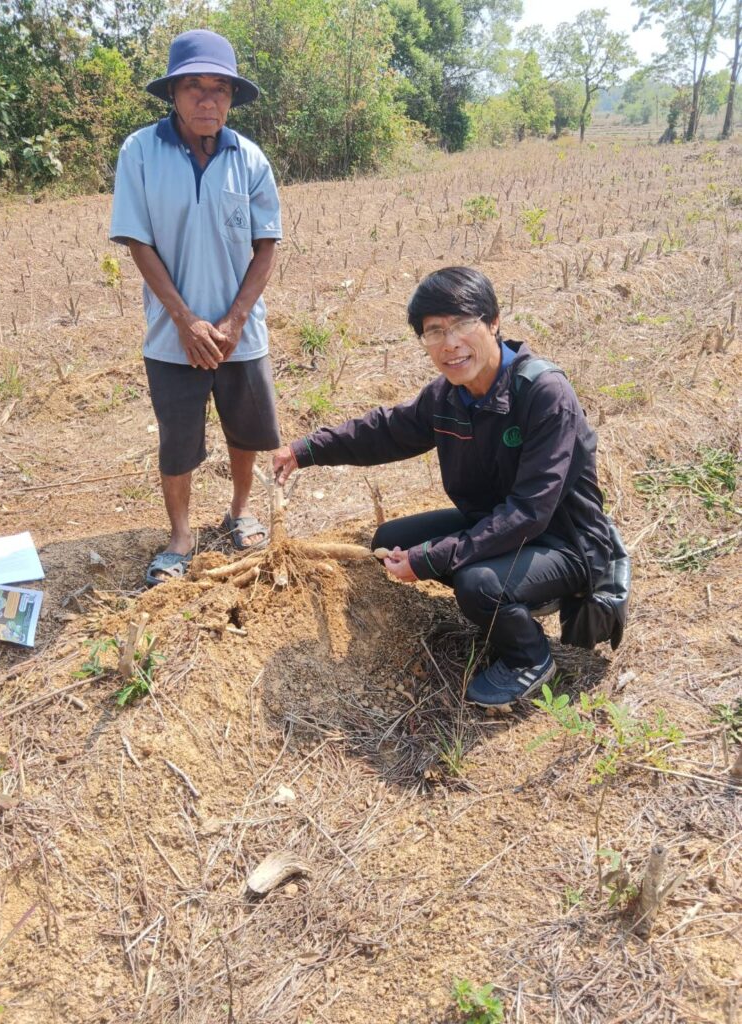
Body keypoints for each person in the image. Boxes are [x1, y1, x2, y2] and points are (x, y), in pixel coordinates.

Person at [273, 267, 614, 708]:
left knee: (476, 582)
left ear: (494, 322)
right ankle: (508, 596)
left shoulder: (543, 393)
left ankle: (529, 656)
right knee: (391, 540)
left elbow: (529, 512)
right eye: (434, 331)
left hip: (564, 542)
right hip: (494, 524)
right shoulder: (449, 396)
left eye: (462, 324)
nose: (449, 343)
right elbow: (386, 431)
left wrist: (434, 557)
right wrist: (305, 450)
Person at [110, 29, 283, 586]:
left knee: (245, 432)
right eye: (194, 87)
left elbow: (266, 247)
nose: (208, 100)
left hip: (241, 335)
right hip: (171, 336)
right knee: (179, 440)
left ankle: (239, 512)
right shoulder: (140, 151)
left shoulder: (249, 158)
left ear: (231, 98)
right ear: (173, 93)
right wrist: (185, 321)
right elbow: (138, 242)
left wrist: (233, 322)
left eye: (220, 89)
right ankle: (181, 536)